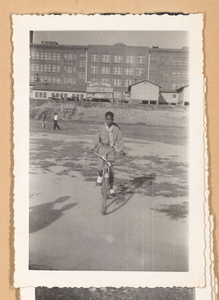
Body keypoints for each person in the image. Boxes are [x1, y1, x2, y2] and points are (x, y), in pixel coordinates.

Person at [88, 111, 125, 196]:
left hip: (111, 149)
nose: (108, 121)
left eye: (110, 119)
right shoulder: (101, 128)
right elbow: (96, 139)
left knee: (111, 170)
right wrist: (91, 147)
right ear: (105, 119)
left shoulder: (116, 129)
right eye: (107, 119)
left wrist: (121, 150)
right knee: (100, 168)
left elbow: (120, 140)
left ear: (113, 119)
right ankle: (100, 176)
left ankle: (111, 188)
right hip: (102, 148)